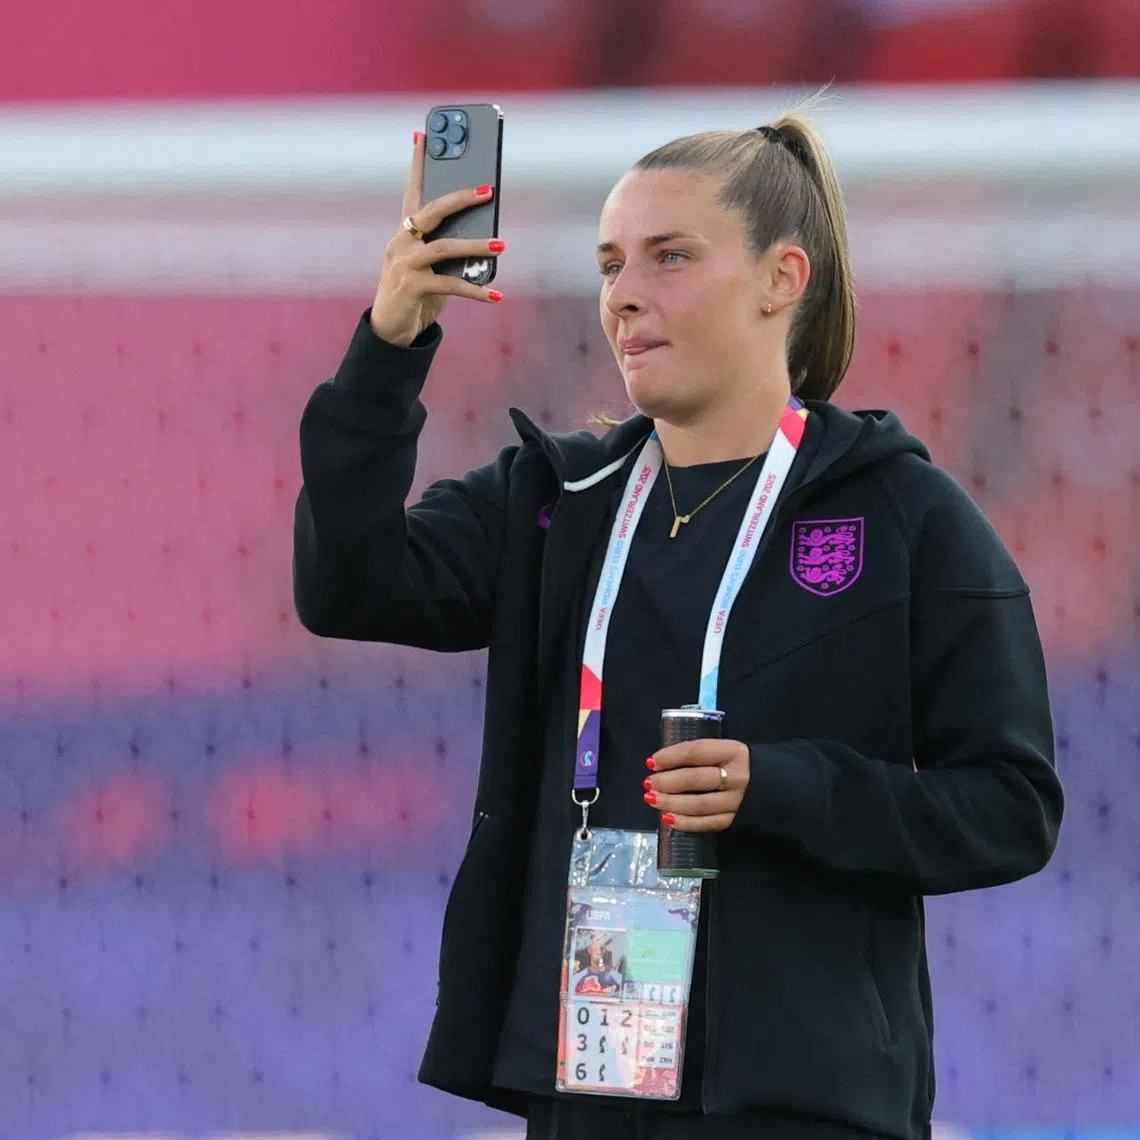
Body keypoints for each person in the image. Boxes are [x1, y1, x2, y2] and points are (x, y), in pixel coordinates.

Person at [293, 114, 1063, 1140]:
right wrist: (391, 345)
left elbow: (1013, 806)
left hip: (804, 1100)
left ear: (781, 278)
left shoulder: (905, 517)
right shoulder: (557, 496)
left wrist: (786, 786)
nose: (624, 293)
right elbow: (349, 583)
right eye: (611, 262)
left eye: (671, 257)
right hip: (595, 1078)